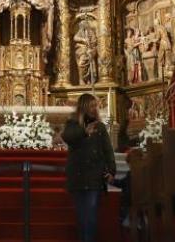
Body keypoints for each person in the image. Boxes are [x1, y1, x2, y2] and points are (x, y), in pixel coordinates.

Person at [62, 93, 116, 242]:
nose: (94, 109)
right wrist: (84, 132)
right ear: (84, 106)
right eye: (91, 106)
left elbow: (107, 150)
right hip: (78, 176)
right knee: (82, 217)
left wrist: (112, 170)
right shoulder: (73, 123)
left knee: (91, 216)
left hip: (94, 176)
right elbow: (67, 137)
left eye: (95, 106)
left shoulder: (100, 127)